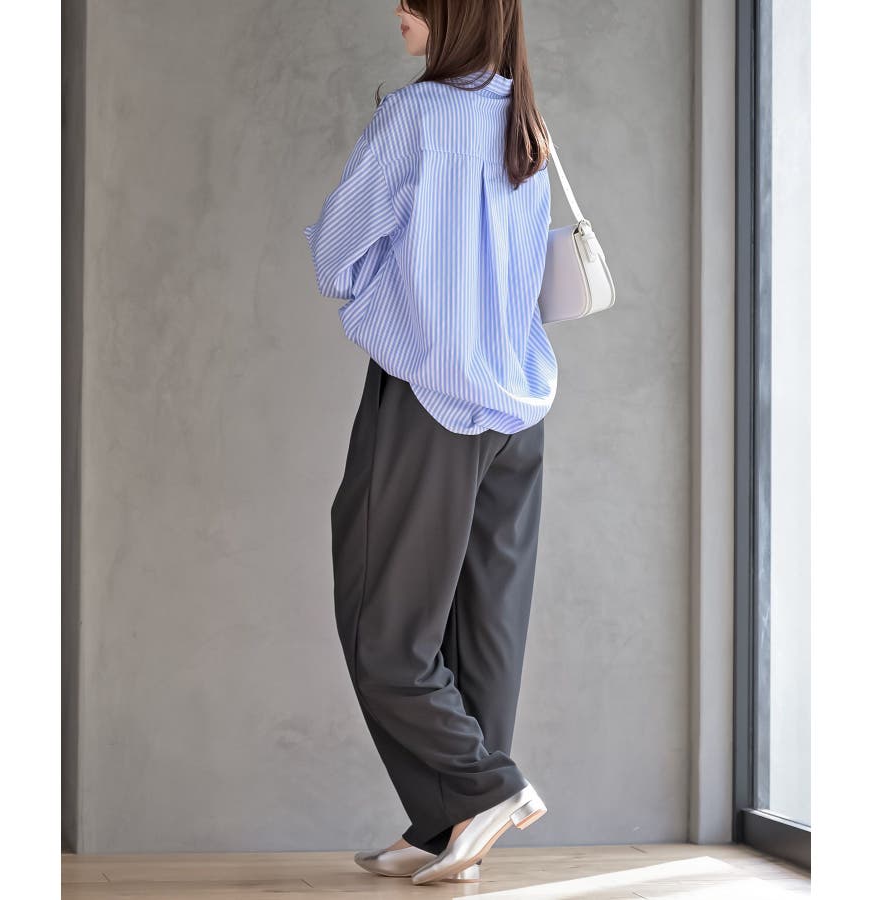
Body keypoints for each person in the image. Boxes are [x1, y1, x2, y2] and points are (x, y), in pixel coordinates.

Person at [302, 0, 557, 886]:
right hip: (518, 407)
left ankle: (487, 789)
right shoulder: (524, 120)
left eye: (413, 0)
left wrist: (396, 291)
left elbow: (335, 257)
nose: (398, 11)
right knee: (485, 629)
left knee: (384, 628)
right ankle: (454, 824)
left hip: (430, 398)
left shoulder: (413, 117)